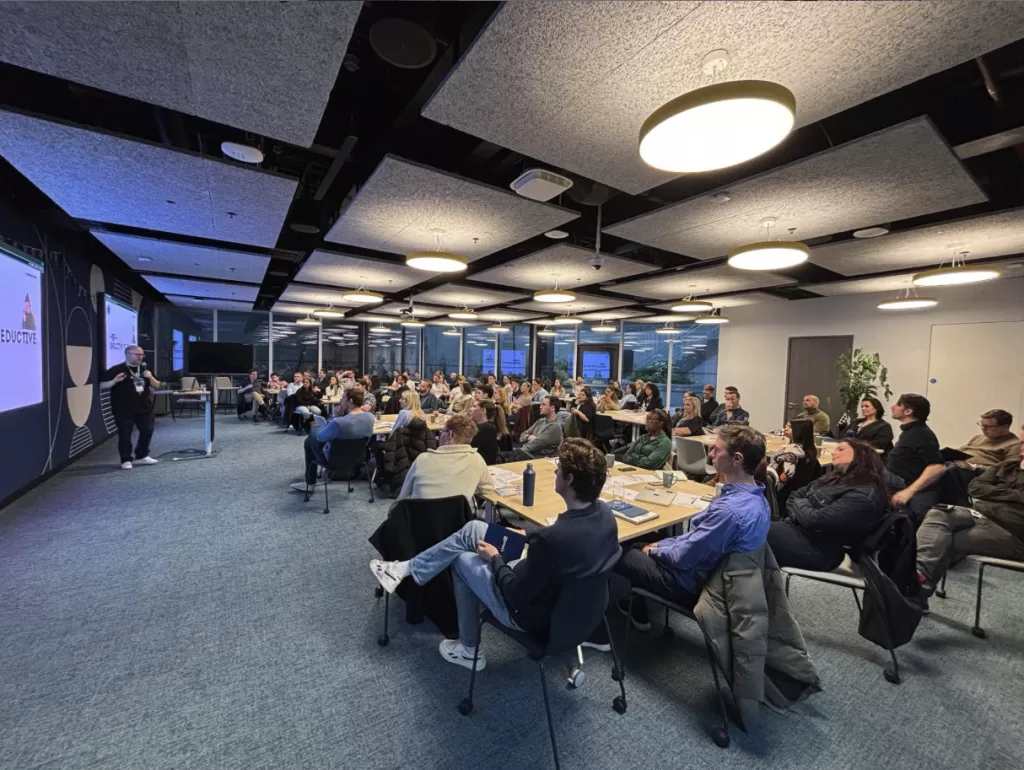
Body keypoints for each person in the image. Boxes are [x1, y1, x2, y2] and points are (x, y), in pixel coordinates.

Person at [370, 438, 621, 670]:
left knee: (462, 560)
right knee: (475, 529)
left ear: (569, 479)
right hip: (574, 609)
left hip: (528, 613)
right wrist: (528, 534)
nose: (555, 472)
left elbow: (514, 595)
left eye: (559, 469)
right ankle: (405, 569)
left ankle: (469, 650)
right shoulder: (604, 514)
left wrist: (495, 559)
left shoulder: (551, 541)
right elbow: (560, 535)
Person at [614, 425, 770, 628]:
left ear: (737, 459)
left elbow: (683, 558)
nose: (711, 454)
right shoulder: (757, 498)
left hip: (692, 584)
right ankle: (638, 601)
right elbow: (696, 542)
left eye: (717, 449)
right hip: (721, 578)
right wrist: (661, 546)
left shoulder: (728, 512)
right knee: (654, 537)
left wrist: (652, 551)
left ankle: (627, 611)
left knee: (618, 549)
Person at [915, 425, 1024, 600]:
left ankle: (914, 591)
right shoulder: (1009, 465)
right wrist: (1015, 495)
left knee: (940, 541)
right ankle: (918, 577)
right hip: (980, 513)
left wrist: (998, 491)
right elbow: (976, 487)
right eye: (1022, 442)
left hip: (1012, 531)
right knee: (938, 512)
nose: (1021, 448)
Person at [768, 439, 889, 571]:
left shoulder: (864, 495)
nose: (833, 453)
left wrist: (802, 509)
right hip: (798, 531)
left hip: (820, 550)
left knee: (749, 534)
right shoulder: (835, 477)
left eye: (841, 449)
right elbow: (795, 495)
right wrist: (805, 512)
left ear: (861, 455)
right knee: (750, 529)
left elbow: (814, 520)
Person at [395, 414, 494, 505]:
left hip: (420, 520)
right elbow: (488, 489)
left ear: (450, 434)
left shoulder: (422, 460)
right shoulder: (476, 460)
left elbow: (403, 495)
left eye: (442, 431)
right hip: (456, 521)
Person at [290, 389, 375, 493]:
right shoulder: (370, 417)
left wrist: (330, 421)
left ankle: (310, 483)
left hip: (334, 461)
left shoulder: (338, 422)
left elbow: (320, 438)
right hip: (358, 459)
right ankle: (310, 483)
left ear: (350, 401)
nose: (340, 400)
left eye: (343, 398)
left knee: (311, 437)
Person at [100, 345, 160, 469]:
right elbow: (102, 385)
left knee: (147, 430)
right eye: (137, 354)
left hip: (144, 407)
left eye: (142, 355)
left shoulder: (145, 369)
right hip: (123, 408)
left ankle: (142, 454)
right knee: (125, 434)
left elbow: (157, 385)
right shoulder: (117, 369)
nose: (140, 357)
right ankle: (126, 459)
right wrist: (115, 381)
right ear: (127, 354)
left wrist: (150, 377)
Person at [886, 394, 945, 518]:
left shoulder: (921, 434)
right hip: (893, 476)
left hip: (902, 481)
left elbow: (937, 467)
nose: (893, 407)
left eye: (898, 404)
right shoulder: (910, 431)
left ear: (908, 411)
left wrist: (909, 492)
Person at [772, 419, 821, 511]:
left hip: (783, 497)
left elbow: (784, 478)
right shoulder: (810, 453)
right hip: (801, 495)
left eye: (790, 427)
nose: (785, 428)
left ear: (799, 431)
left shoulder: (791, 453)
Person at [500, 396, 564, 461]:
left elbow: (535, 445)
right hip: (527, 453)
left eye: (543, 405)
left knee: (501, 456)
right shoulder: (540, 421)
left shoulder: (555, 427)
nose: (540, 407)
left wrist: (517, 451)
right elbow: (522, 436)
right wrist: (528, 437)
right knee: (500, 452)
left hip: (537, 458)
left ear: (552, 408)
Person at [469, 400, 502, 466]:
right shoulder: (482, 426)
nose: (470, 409)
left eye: (474, 406)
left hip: (482, 466)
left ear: (483, 410)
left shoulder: (486, 428)